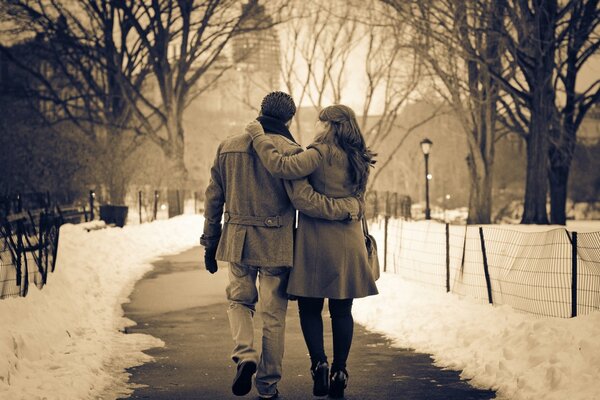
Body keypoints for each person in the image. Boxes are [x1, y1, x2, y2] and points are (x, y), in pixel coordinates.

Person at [200, 92, 361, 400]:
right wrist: (349, 206)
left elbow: (213, 198)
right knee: (273, 317)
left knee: (239, 302)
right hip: (276, 243)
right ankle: (268, 386)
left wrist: (210, 242)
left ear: (260, 111)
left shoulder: (227, 147)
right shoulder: (293, 151)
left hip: (237, 240)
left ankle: (245, 355)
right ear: (288, 120)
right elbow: (302, 199)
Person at [245, 104, 378, 399]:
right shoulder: (359, 155)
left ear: (329, 125)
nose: (318, 127)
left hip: (315, 243)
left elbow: (280, 166)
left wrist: (258, 137)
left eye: (321, 122)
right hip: (349, 242)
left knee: (310, 308)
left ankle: (319, 364)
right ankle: (340, 370)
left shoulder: (318, 154)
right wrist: (350, 208)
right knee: (343, 310)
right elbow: (358, 200)